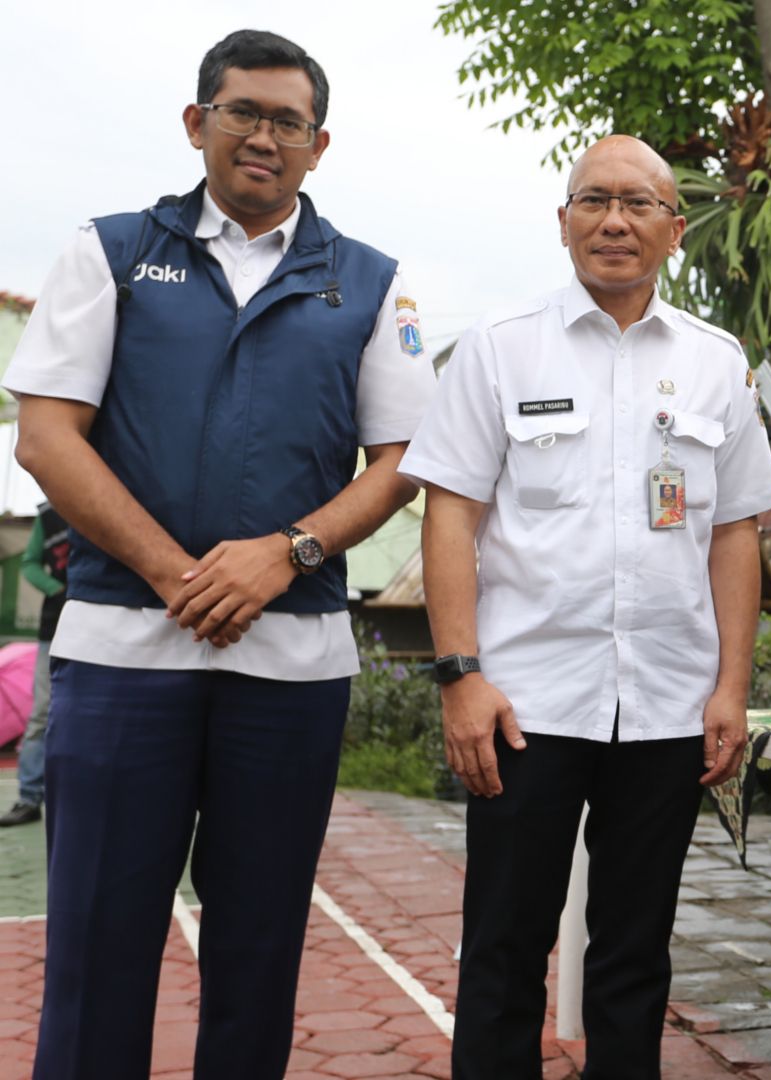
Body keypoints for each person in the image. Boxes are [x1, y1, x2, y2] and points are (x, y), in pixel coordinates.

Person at [4, 30, 435, 1078]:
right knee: (98, 952)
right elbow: (46, 435)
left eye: (288, 121)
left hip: (291, 667)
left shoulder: (371, 282)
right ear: (197, 123)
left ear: (319, 145)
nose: (263, 136)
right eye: (242, 111)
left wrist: (283, 555)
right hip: (120, 655)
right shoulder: (108, 251)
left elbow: (405, 459)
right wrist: (171, 571)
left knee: (257, 952)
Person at [398, 135, 771, 1079]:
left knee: (634, 951)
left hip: (665, 702)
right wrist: (461, 674)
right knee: (502, 946)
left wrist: (731, 686)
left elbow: (735, 532)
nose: (615, 220)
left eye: (640, 203)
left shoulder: (714, 361)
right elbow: (450, 515)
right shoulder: (499, 349)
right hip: (525, 701)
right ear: (563, 220)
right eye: (594, 200)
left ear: (674, 229)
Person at [0, 503, 70, 828]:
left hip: (103, 627)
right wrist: (58, 589)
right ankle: (29, 798)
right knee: (41, 713)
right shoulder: (48, 517)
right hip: (52, 629)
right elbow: (30, 564)